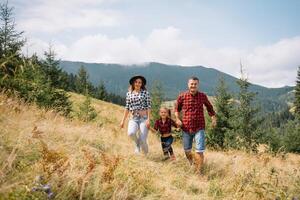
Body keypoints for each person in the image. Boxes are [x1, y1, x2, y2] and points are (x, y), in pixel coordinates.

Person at [174, 76, 216, 174]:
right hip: (186, 127)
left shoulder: (202, 96)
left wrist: (213, 118)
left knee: (199, 150)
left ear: (198, 85)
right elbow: (177, 109)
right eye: (191, 84)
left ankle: (199, 172)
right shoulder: (182, 96)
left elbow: (209, 107)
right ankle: (192, 163)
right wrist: (177, 119)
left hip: (199, 127)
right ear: (188, 85)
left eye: (195, 84)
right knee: (187, 150)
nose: (193, 86)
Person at [120, 75, 151, 155]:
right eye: (136, 82)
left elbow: (148, 107)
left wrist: (148, 119)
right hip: (133, 118)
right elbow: (127, 107)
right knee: (131, 133)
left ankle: (146, 155)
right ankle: (137, 145)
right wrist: (123, 121)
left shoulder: (145, 93)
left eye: (139, 82)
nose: (137, 84)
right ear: (133, 83)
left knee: (143, 139)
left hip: (144, 118)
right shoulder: (129, 94)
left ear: (142, 84)